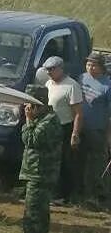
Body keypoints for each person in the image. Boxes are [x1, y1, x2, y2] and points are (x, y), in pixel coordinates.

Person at [18, 85, 63, 233]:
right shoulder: (40, 119)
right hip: (33, 174)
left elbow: (32, 139)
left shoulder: (50, 121)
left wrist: (28, 121)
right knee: (32, 217)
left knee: (34, 218)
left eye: (31, 105)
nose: (27, 109)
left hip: (41, 176)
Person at [42, 55, 84, 203]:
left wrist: (75, 133)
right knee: (49, 160)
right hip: (49, 127)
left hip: (65, 127)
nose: (48, 72)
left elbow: (78, 113)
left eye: (51, 69)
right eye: (47, 69)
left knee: (63, 161)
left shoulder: (72, 86)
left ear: (60, 69)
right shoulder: (48, 84)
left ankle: (63, 195)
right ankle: (51, 191)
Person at [79, 53, 111, 207]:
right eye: (88, 64)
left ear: (101, 67)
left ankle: (95, 195)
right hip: (79, 127)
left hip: (97, 129)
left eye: (94, 65)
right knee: (78, 161)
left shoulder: (107, 85)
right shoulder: (81, 78)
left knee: (96, 164)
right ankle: (77, 192)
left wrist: (108, 134)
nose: (90, 68)